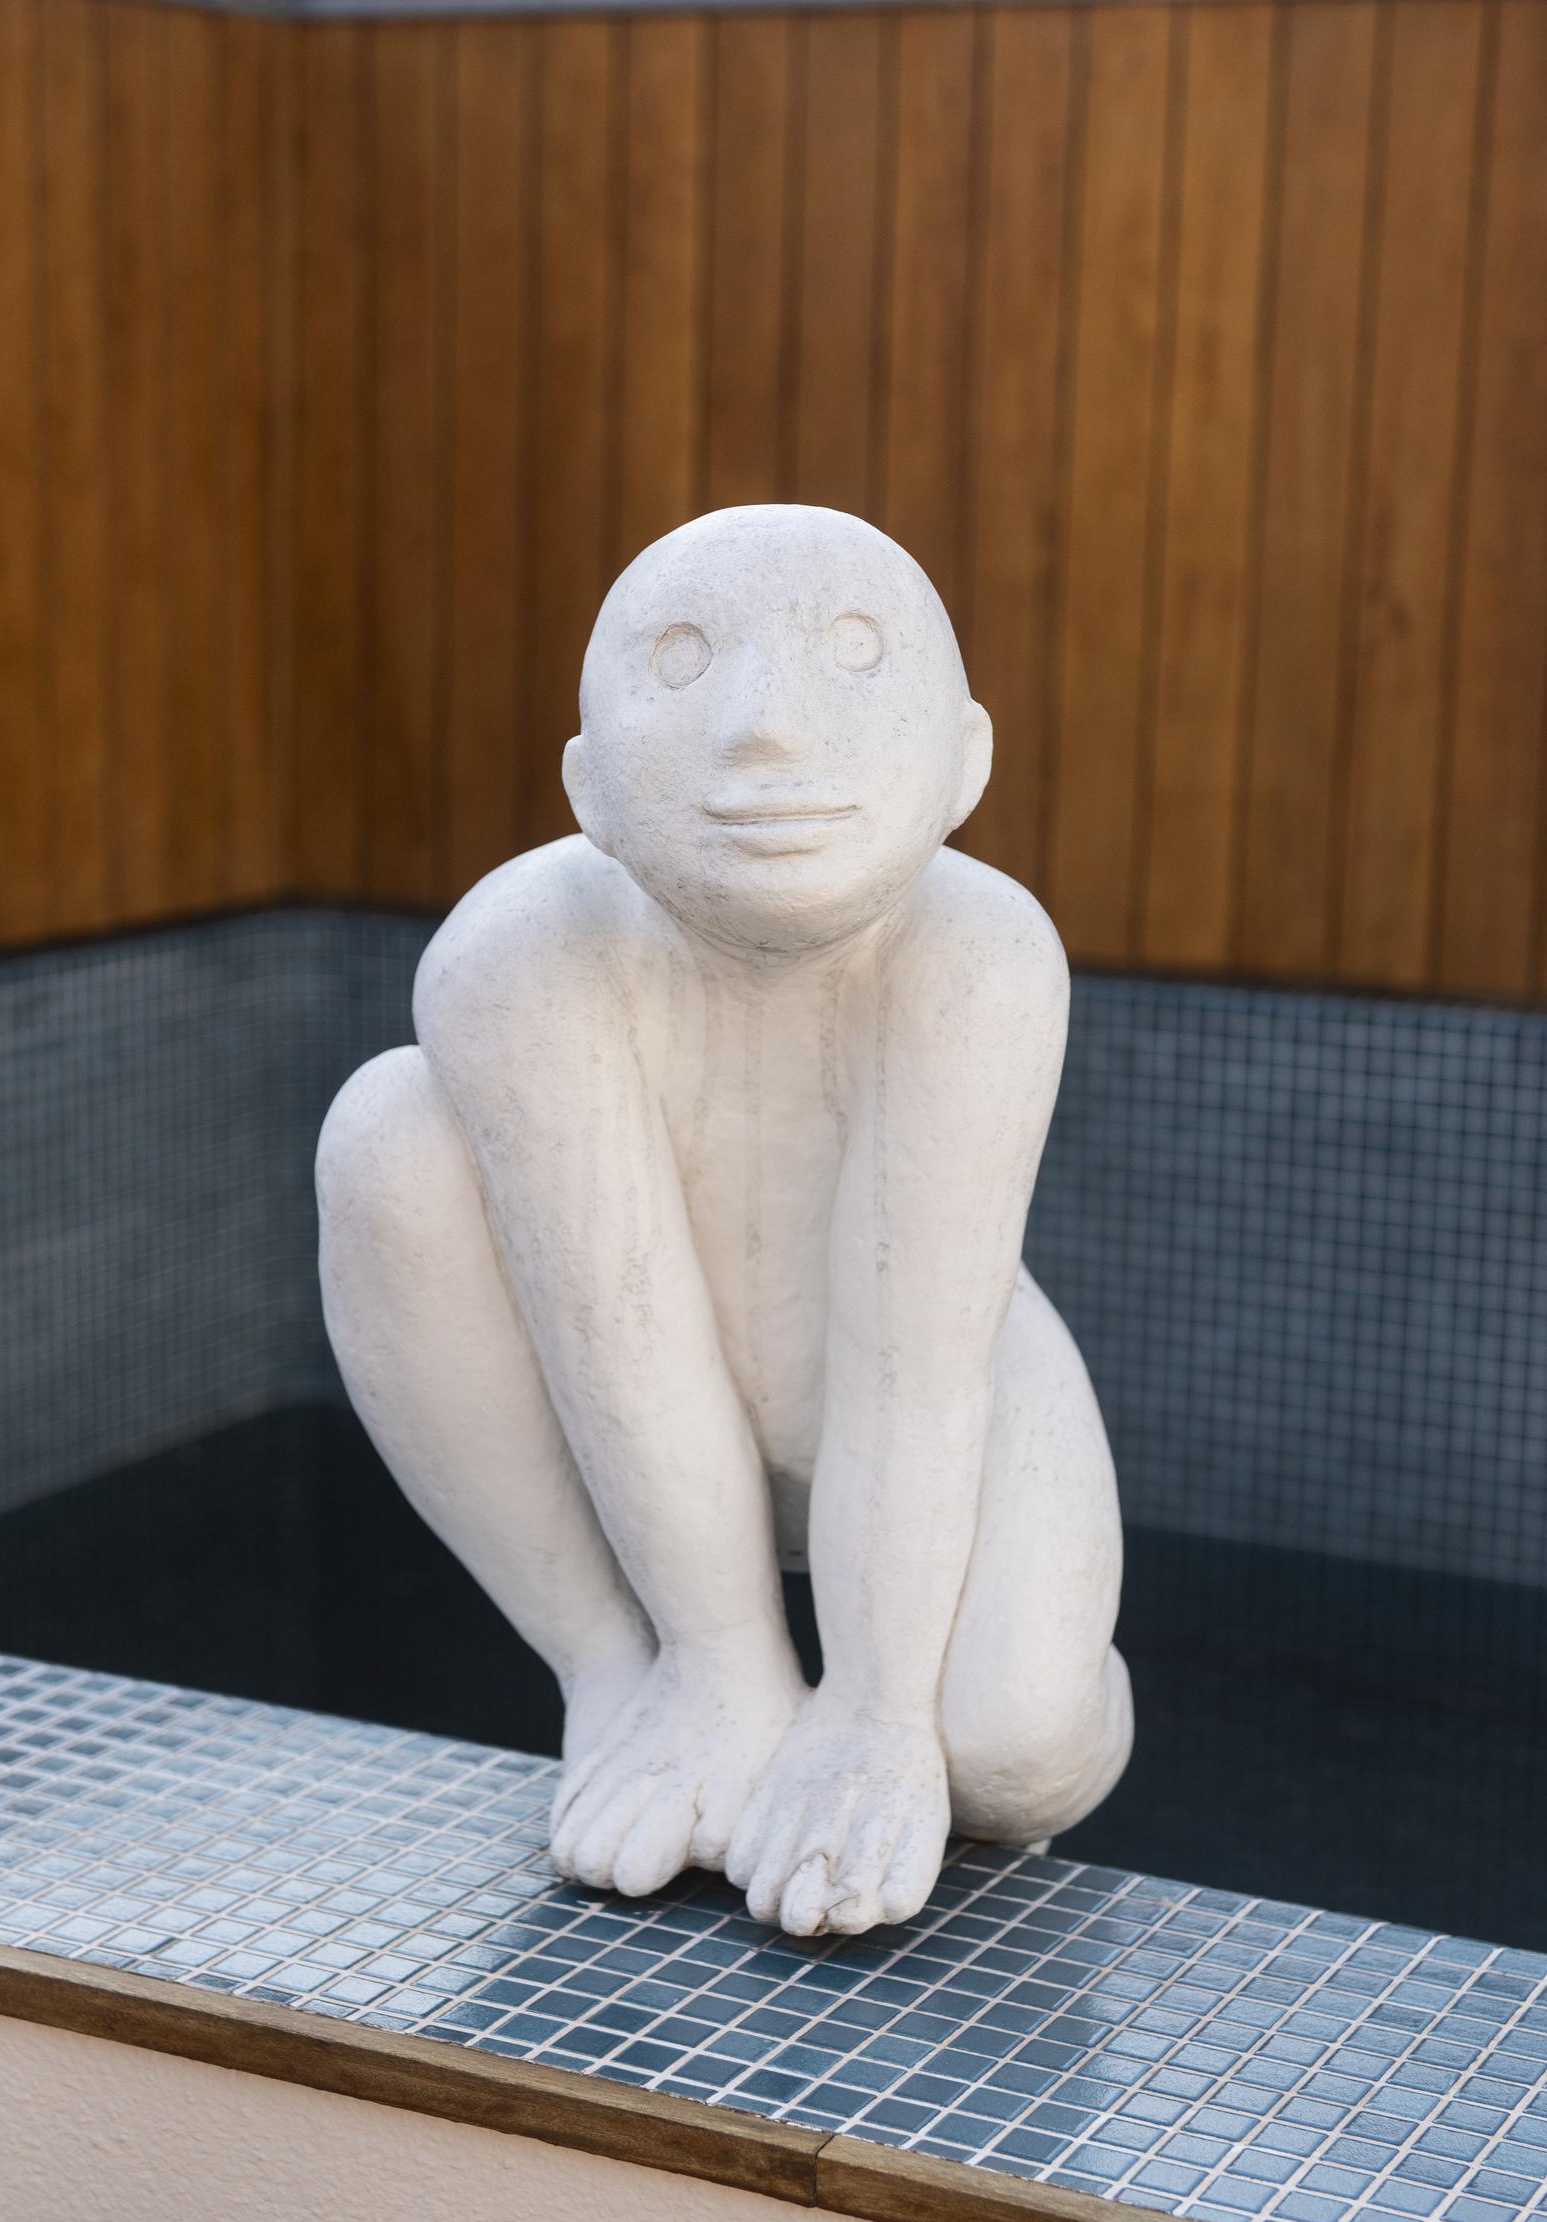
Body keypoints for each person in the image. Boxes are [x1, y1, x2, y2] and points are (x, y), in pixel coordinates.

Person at [317, 505, 1131, 1938]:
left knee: (1012, 1750)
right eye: (686, 662)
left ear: (967, 764)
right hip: (631, 1438)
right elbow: (613, 1325)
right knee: (387, 1138)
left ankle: (901, 1690)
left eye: (855, 655)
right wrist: (717, 1658)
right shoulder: (519, 956)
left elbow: (914, 1364)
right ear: (587, 788)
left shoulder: (979, 957)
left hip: (938, 1389)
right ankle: (621, 1676)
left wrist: (879, 1711)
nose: (765, 731)